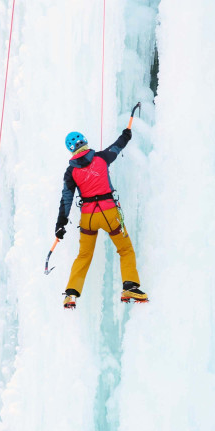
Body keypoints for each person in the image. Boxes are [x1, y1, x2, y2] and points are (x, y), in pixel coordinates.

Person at [55, 128, 148, 309]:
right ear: (85, 141)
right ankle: (130, 286)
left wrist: (61, 223)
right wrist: (126, 134)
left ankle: (71, 294)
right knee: (125, 249)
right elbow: (117, 147)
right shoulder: (102, 157)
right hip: (109, 213)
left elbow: (66, 198)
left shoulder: (70, 172)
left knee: (84, 255)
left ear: (71, 149)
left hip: (88, 217)